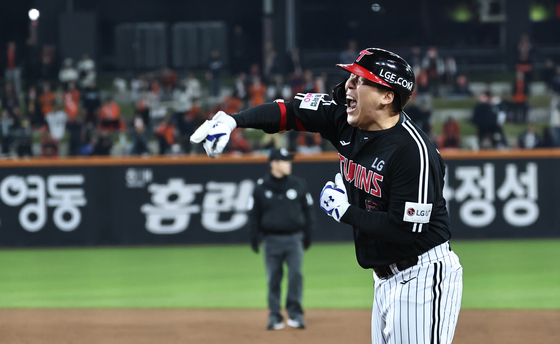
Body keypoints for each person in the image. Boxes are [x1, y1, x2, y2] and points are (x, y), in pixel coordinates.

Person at [190, 47, 463, 344]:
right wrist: (233, 121)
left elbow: (405, 229)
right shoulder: (344, 118)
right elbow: (289, 112)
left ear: (387, 96)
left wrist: (344, 212)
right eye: (351, 77)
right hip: (384, 277)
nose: (348, 85)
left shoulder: (413, 152)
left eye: (360, 80)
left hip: (422, 274)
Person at [248, 148, 315, 330]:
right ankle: (275, 315)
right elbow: (254, 214)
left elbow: (308, 211)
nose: (288, 164)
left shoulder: (298, 184)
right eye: (284, 161)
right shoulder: (261, 187)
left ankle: (295, 314)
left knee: (295, 276)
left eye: (288, 161)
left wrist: (308, 234)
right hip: (271, 240)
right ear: (273, 164)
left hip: (294, 239)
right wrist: (255, 237)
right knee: (273, 278)